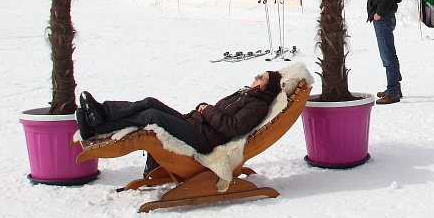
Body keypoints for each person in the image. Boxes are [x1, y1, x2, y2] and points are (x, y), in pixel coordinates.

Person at [75, 70, 281, 149]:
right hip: (194, 123)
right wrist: (204, 110)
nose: (255, 77)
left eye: (261, 78)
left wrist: (207, 109)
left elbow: (231, 128)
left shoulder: (258, 105)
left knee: (152, 116)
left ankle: (96, 128)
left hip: (202, 138)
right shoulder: (246, 95)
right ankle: (102, 113)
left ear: (266, 87)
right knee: (150, 102)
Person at [367, 0, 403, 104]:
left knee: (387, 53)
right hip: (385, 16)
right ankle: (394, 86)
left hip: (383, 17)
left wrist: (379, 12)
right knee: (388, 52)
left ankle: (393, 90)